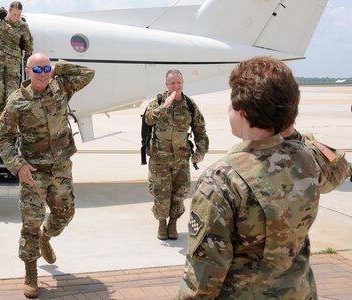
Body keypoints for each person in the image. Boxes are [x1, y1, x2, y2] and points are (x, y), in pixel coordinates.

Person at [176, 57, 352, 299]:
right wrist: (288, 128)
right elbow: (340, 167)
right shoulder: (305, 158)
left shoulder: (222, 180)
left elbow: (202, 284)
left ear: (243, 113)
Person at [0, 53, 95, 298]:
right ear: (27, 72)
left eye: (45, 69)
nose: (42, 74)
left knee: (65, 214)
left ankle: (47, 237)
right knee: (31, 223)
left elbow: (88, 73)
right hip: (33, 170)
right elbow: (5, 138)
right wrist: (18, 166)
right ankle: (31, 272)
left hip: (61, 166)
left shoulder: (61, 87)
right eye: (36, 70)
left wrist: (58, 68)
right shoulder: (17, 101)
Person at [144, 69, 209, 240]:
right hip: (159, 159)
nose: (176, 86)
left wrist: (200, 151)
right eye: (172, 83)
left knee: (179, 194)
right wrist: (165, 106)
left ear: (183, 83)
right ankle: (161, 223)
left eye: (179, 82)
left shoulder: (189, 104)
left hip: (181, 159)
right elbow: (149, 119)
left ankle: (173, 223)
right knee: (161, 194)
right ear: (166, 85)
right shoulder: (157, 102)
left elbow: (200, 130)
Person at [0, 1, 34, 113]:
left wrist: (27, 63)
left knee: (12, 91)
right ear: (9, 11)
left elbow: (29, 45)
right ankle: (0, 113)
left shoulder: (23, 26)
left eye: (18, 15)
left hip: (13, 62)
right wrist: (0, 10)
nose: (16, 17)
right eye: (14, 14)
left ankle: (7, 115)